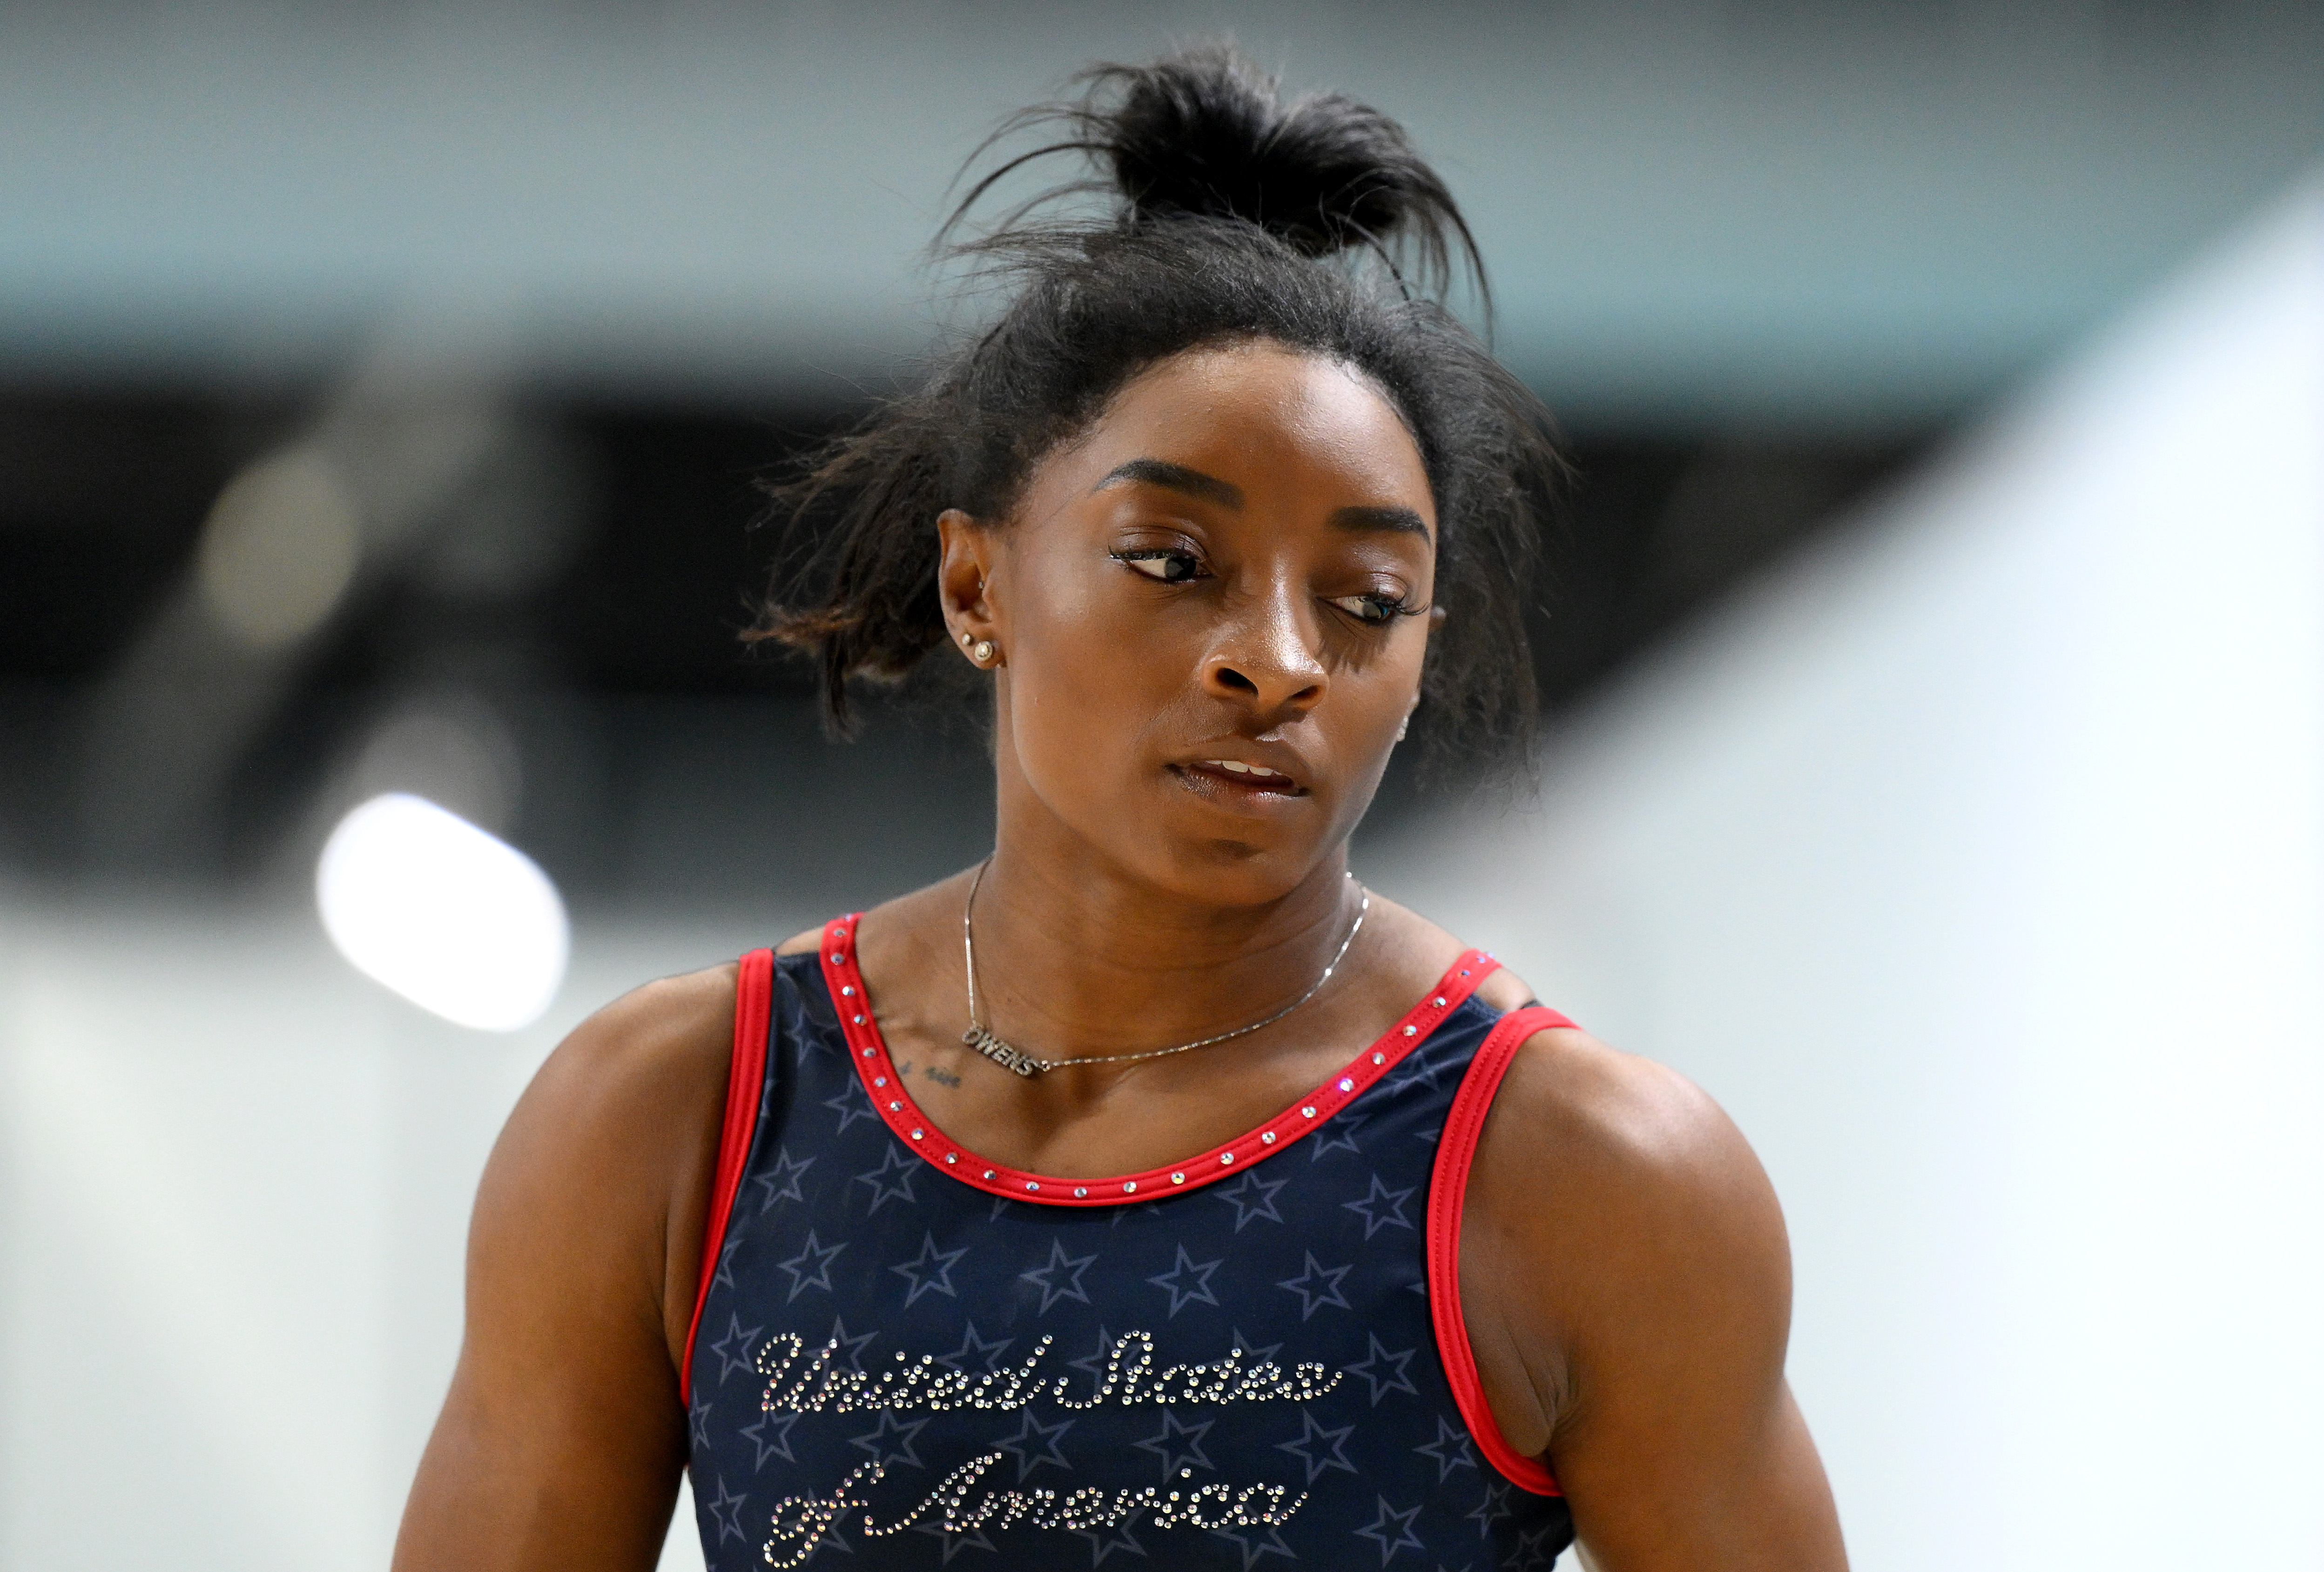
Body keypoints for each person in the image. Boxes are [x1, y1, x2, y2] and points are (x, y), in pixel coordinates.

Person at [393, 44, 1847, 1572]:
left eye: (1367, 598)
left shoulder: (1585, 1175)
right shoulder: (682, 1111)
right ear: (978, 585)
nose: (1278, 661)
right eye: (1172, 560)